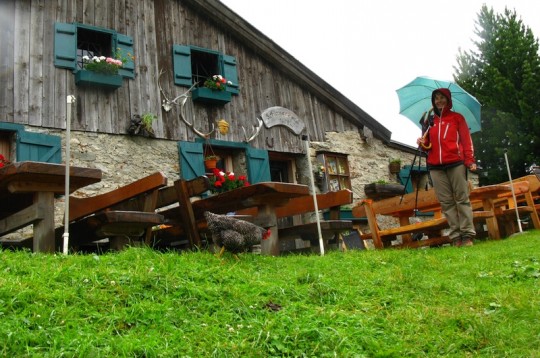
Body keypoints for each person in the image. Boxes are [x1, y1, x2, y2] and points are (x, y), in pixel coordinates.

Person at [417, 88, 477, 247]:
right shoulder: (429, 122)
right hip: (435, 167)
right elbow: (426, 147)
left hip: (456, 163)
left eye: (442, 98)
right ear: (433, 101)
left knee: (462, 199)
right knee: (446, 203)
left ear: (448, 100)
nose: (439, 101)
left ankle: (467, 235)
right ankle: (456, 237)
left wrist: (469, 160)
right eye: (436, 98)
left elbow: (466, 140)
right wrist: (422, 143)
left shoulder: (457, 118)